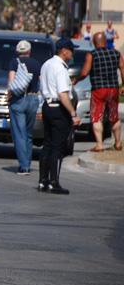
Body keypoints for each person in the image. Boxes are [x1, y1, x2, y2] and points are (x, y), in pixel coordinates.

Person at [38, 38, 82, 194]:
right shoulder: (61, 68)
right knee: (58, 146)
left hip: (47, 106)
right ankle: (53, 182)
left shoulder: (46, 64)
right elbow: (63, 94)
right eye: (71, 50)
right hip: (58, 108)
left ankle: (42, 181)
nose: (73, 53)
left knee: (48, 144)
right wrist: (73, 114)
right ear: (64, 51)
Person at [72, 32, 124, 151]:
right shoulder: (116, 53)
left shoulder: (92, 55)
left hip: (98, 89)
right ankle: (117, 143)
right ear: (105, 41)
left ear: (94, 43)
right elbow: (122, 68)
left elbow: (84, 73)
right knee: (114, 116)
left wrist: (76, 80)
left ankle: (99, 145)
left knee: (97, 117)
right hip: (113, 89)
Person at [7, 40, 42, 175]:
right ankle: (26, 162)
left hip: (19, 100)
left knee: (19, 134)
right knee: (28, 134)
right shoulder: (37, 64)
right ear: (29, 51)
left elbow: (11, 83)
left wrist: (8, 98)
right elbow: (40, 82)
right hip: (33, 99)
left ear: (17, 51)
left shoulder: (14, 62)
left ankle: (24, 166)